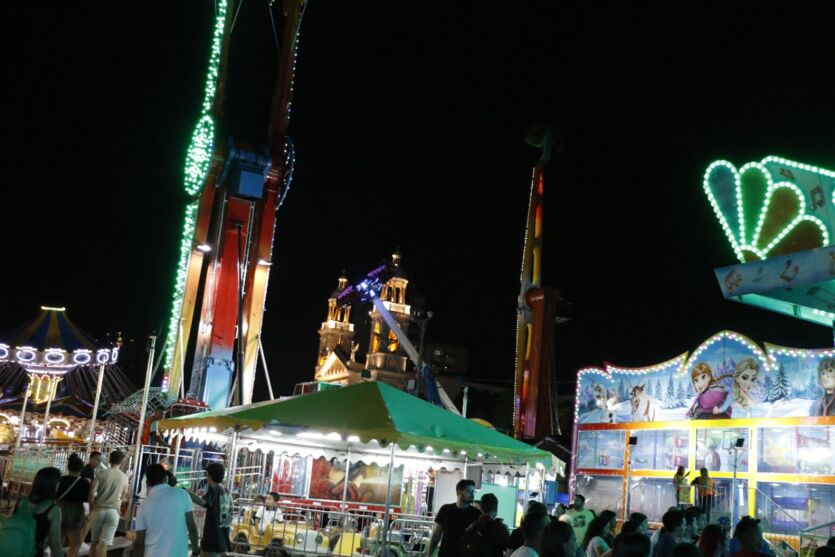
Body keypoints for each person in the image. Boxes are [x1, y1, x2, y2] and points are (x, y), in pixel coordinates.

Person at [133, 464, 200, 557]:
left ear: (147, 483)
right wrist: (195, 551)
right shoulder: (182, 495)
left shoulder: (143, 506)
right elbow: (192, 526)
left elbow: (139, 542)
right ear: (166, 478)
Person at [13, 466, 64, 557]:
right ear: (53, 485)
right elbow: (55, 543)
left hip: (12, 549)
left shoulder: (21, 501)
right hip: (32, 552)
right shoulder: (54, 510)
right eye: (58, 484)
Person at [88, 450, 130, 557]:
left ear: (110, 460)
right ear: (122, 462)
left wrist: (91, 508)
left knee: (94, 543)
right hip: (113, 512)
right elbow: (124, 498)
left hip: (98, 510)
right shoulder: (125, 478)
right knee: (103, 545)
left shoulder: (101, 473)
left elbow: (92, 493)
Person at [188, 462, 233, 557]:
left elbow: (203, 502)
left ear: (210, 476)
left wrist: (187, 493)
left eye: (207, 474)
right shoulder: (226, 490)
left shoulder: (214, 490)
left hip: (212, 538)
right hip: (224, 537)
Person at [428, 479, 481, 557]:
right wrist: (429, 554)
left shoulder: (476, 514)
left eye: (474, 491)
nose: (472, 494)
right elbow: (436, 534)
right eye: (469, 491)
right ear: (459, 492)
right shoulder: (445, 509)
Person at [58, 454, 91, 557]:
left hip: (59, 510)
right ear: (81, 469)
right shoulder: (84, 482)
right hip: (75, 513)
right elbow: (87, 498)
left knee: (57, 542)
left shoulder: (60, 479)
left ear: (68, 467)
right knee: (75, 544)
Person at [460, 493, 509, 557]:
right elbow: (509, 550)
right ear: (495, 509)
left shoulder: (472, 526)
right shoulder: (500, 528)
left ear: (481, 508)